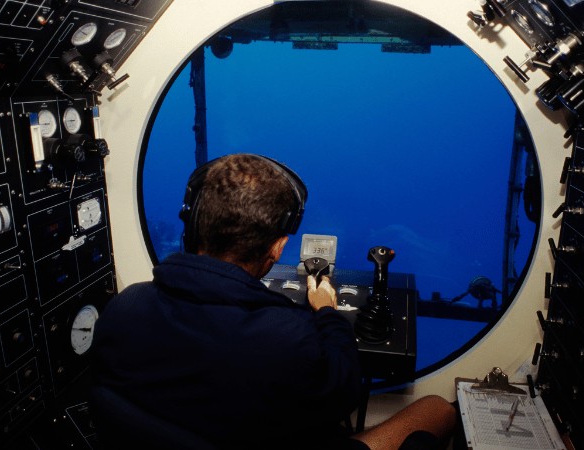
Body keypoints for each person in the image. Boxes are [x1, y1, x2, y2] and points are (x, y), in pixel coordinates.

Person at [90, 153, 456, 449]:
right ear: (279, 248)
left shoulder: (123, 309)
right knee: (437, 410)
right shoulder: (286, 338)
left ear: (193, 223)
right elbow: (343, 389)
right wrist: (326, 310)